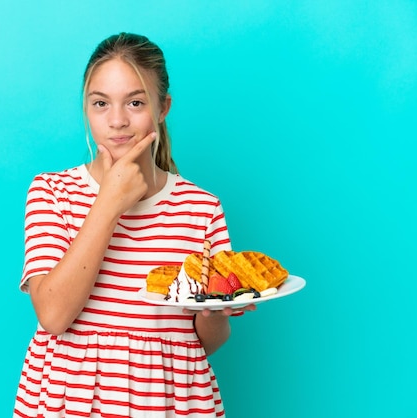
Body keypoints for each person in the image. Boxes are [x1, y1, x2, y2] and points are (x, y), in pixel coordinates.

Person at [13, 32, 255, 418]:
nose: (117, 121)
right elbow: (54, 315)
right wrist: (108, 203)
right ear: (86, 108)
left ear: (163, 108)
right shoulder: (53, 192)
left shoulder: (200, 208)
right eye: (100, 104)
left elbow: (202, 344)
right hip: (68, 400)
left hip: (164, 402)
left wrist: (215, 312)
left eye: (136, 102)